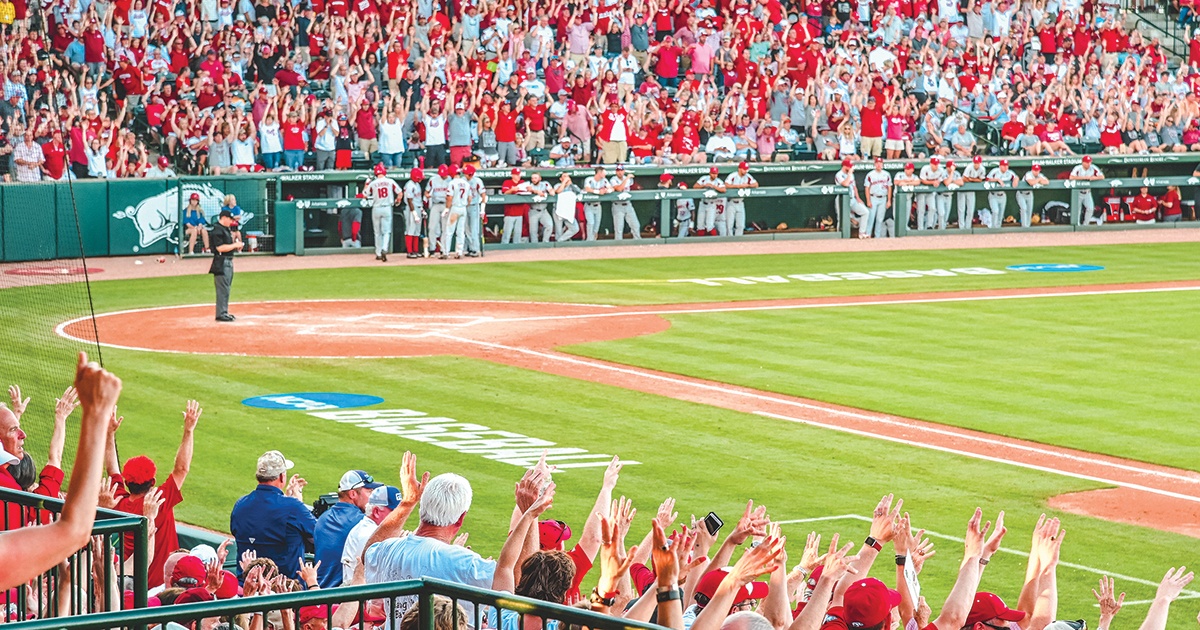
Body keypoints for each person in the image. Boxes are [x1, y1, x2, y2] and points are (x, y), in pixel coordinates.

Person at [0, 353, 121, 591]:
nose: (23, 435)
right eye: (16, 430)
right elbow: (75, 531)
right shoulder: (8, 489)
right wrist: (96, 415)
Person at [364, 457, 496, 624]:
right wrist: (527, 515)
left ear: (422, 507)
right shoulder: (467, 563)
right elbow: (521, 580)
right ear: (461, 518)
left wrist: (408, 501)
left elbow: (368, 553)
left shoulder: (388, 549)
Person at [107, 399, 201, 588]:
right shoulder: (158, 501)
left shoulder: (118, 501)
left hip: (128, 583)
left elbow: (111, 469)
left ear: (126, 482)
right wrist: (188, 430)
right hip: (161, 586)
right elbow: (181, 468)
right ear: (153, 482)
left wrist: (109, 434)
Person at [230, 450, 315, 580]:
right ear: (282, 477)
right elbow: (319, 535)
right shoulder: (293, 507)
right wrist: (297, 502)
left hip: (247, 590)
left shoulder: (240, 505)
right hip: (284, 592)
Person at [0, 386, 75, 530]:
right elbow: (55, 458)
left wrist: (16, 416)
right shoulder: (29, 505)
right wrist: (61, 417)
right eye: (14, 430)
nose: (23, 435)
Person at [315, 470, 381, 588]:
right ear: (353, 494)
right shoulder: (361, 523)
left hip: (320, 592)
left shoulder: (322, 518)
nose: (373, 497)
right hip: (343, 597)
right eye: (369, 492)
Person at [342, 485, 401, 583]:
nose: (401, 517)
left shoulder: (369, 528)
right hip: (359, 594)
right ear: (376, 512)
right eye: (395, 512)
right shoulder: (368, 535)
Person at [209, 210, 243, 322]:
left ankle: (224, 311)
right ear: (224, 218)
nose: (231, 222)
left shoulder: (225, 229)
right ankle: (221, 313)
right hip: (221, 262)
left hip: (228, 261)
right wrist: (235, 245)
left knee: (226, 288)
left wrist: (234, 245)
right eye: (229, 219)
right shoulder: (217, 230)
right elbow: (220, 248)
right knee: (223, 289)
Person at [364, 163, 401, 262]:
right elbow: (400, 193)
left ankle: (378, 253)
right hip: (387, 208)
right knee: (386, 232)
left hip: (376, 208)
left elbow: (364, 195)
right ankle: (385, 249)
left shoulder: (373, 183)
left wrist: (367, 183)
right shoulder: (390, 181)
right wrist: (398, 200)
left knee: (377, 232)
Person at [834, 160, 869, 239]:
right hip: (841, 199)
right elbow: (845, 184)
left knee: (865, 212)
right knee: (841, 218)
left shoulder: (851, 175)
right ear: (844, 166)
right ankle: (839, 236)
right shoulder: (839, 174)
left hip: (852, 199)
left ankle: (861, 233)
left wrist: (858, 198)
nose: (850, 168)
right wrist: (849, 174)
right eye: (849, 166)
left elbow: (854, 187)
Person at [723, 162, 757, 236]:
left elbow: (756, 184)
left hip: (740, 202)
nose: (745, 171)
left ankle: (738, 240)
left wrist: (747, 185)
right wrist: (738, 186)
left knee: (741, 225)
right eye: (744, 169)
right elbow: (726, 185)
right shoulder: (733, 175)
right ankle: (729, 241)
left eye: (746, 169)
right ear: (739, 169)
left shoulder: (748, 176)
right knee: (729, 225)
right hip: (731, 202)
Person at [442, 165, 469, 259]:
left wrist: (446, 208)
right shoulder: (466, 183)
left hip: (455, 208)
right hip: (463, 208)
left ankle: (446, 252)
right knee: (461, 232)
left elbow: (449, 197)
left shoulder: (452, 183)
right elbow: (469, 198)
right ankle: (459, 252)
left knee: (449, 231)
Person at [864, 157, 894, 239]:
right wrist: (868, 201)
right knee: (871, 218)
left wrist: (889, 200)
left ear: (882, 164)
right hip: (873, 197)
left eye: (880, 163)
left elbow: (889, 188)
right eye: (877, 163)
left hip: (883, 198)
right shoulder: (870, 174)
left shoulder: (886, 174)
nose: (879, 165)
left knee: (880, 219)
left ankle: (877, 236)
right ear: (875, 164)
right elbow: (867, 188)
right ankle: (868, 235)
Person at [1072, 156, 1106, 225]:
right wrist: (1084, 178)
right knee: (1077, 210)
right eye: (1087, 162)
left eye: (1090, 162)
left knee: (1090, 209)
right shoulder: (1078, 168)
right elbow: (1071, 177)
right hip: (1078, 192)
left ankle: (1085, 225)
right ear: (1083, 162)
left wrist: (1094, 178)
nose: (1089, 164)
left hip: (1087, 192)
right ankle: (1077, 225)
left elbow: (1102, 176)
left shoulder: (1093, 168)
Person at [609, 165, 640, 240]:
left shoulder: (628, 179)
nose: (620, 172)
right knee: (619, 228)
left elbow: (635, 187)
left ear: (624, 171)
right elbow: (619, 189)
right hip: (618, 205)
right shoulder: (613, 179)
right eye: (618, 171)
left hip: (628, 204)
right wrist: (627, 178)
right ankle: (618, 246)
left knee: (635, 225)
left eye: (621, 170)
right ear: (616, 171)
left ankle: (638, 242)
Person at [500, 169, 530, 245]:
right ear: (512, 175)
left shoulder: (522, 183)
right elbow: (505, 193)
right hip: (510, 212)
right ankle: (503, 248)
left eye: (519, 174)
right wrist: (512, 190)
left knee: (518, 234)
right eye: (516, 174)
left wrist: (530, 189)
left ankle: (516, 253)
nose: (518, 176)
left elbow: (528, 192)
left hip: (520, 212)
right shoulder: (507, 182)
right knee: (507, 234)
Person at [694, 167, 727, 236]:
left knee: (710, 225)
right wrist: (704, 186)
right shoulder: (704, 178)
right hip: (702, 203)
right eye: (713, 173)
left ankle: (714, 241)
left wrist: (714, 186)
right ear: (710, 173)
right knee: (700, 225)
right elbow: (695, 186)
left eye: (716, 174)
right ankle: (700, 242)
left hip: (712, 204)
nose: (714, 175)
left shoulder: (718, 181)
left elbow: (724, 190)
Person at [986, 159, 1018, 228]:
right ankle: (993, 228)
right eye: (1003, 166)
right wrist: (997, 179)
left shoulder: (1010, 173)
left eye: (1006, 166)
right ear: (1000, 166)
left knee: (1000, 214)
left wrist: (1015, 180)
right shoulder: (995, 171)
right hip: (993, 195)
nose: (1005, 167)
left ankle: (998, 229)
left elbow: (1016, 177)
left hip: (1003, 195)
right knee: (995, 211)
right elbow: (987, 179)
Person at [426, 165, 451, 255]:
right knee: (432, 227)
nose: (443, 176)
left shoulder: (450, 180)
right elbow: (426, 191)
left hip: (446, 205)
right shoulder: (433, 180)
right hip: (435, 205)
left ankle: (443, 249)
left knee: (445, 228)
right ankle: (432, 249)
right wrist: (427, 195)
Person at [917, 157, 946, 231]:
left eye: (937, 164)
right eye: (934, 164)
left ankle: (929, 226)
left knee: (932, 208)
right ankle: (920, 228)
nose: (936, 166)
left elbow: (940, 179)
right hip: (922, 191)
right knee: (921, 210)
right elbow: (923, 180)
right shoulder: (925, 168)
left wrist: (937, 182)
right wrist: (933, 182)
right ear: (931, 164)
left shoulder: (941, 170)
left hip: (930, 192)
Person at [464, 165, 488, 256]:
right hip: (464, 206)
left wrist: (482, 209)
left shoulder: (477, 181)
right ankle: (469, 248)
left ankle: (475, 249)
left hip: (474, 206)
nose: (467, 175)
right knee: (466, 229)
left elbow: (483, 195)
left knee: (474, 228)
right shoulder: (462, 180)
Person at [583, 166, 611, 240]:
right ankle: (589, 241)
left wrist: (606, 191)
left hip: (598, 205)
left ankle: (594, 241)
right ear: (599, 173)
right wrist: (598, 192)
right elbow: (587, 188)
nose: (605, 174)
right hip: (589, 205)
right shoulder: (589, 179)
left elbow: (611, 188)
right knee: (591, 223)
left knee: (596, 227)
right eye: (603, 172)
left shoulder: (604, 180)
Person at [959, 156, 987, 230]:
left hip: (971, 189)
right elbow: (964, 178)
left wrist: (971, 179)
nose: (976, 164)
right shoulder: (969, 167)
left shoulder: (982, 169)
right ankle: (961, 227)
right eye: (975, 162)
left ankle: (968, 227)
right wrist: (975, 180)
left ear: (980, 163)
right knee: (961, 209)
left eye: (977, 163)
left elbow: (981, 180)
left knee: (970, 210)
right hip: (963, 188)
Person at [553, 172, 582, 242]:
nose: (567, 177)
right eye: (564, 176)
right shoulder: (558, 185)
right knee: (558, 231)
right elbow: (558, 191)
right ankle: (557, 248)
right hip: (558, 210)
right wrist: (564, 182)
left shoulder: (572, 186)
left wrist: (571, 184)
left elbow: (579, 191)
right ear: (560, 179)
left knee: (575, 228)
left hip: (568, 210)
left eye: (567, 176)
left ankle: (559, 241)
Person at [403, 168, 426, 258]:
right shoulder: (409, 185)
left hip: (417, 207)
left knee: (417, 230)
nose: (420, 179)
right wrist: (414, 213)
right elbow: (409, 200)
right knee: (410, 229)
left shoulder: (417, 185)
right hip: (410, 209)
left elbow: (418, 200)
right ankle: (409, 251)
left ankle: (415, 250)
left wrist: (421, 210)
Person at [526, 172, 554, 244]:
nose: (533, 180)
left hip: (543, 210)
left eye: (535, 178)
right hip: (533, 210)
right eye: (532, 178)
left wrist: (550, 191)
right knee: (533, 231)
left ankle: (545, 242)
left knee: (549, 225)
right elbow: (528, 190)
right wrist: (536, 191)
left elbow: (551, 191)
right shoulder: (529, 186)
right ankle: (534, 247)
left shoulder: (545, 184)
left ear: (540, 178)